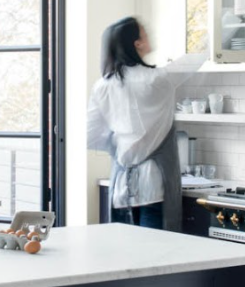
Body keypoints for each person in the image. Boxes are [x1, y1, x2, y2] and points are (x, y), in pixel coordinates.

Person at [87, 17, 205, 231]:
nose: (148, 35)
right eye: (144, 33)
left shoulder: (102, 86)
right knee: (155, 253)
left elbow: (91, 136)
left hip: (121, 186)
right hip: (154, 185)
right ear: (137, 43)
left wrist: (121, 145)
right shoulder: (158, 79)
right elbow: (197, 57)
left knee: (126, 254)